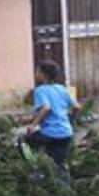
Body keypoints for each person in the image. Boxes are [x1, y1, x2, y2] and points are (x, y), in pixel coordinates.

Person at [24, 59, 82, 187]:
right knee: (58, 164)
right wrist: (71, 121)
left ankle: (36, 168)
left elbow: (46, 108)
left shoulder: (40, 90)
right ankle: (66, 191)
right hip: (66, 134)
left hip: (50, 134)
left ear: (43, 75)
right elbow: (77, 107)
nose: (35, 74)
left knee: (24, 140)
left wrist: (33, 125)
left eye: (37, 71)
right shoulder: (62, 89)